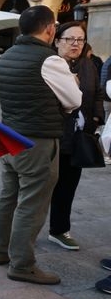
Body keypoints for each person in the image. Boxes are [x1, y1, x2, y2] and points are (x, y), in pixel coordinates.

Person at [0, 6, 82, 285]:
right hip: (38, 140)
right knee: (32, 203)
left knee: (7, 195)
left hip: (9, 136)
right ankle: (22, 264)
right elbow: (74, 100)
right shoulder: (49, 60)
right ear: (50, 29)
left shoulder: (6, 57)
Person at [47, 23, 104, 251]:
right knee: (43, 186)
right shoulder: (49, 64)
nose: (75, 44)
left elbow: (98, 93)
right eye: (70, 39)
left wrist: (97, 118)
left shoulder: (88, 65)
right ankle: (25, 231)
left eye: (80, 40)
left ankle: (59, 230)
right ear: (58, 41)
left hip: (79, 136)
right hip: (53, 134)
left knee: (68, 185)